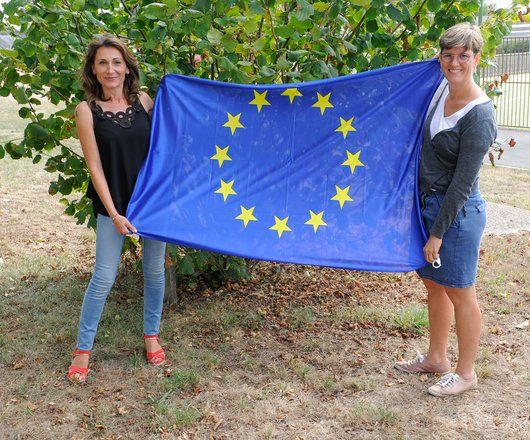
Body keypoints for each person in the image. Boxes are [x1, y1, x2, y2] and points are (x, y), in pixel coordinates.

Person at [394, 23, 497, 396]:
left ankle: (466, 374)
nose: (455, 62)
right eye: (448, 55)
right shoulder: (438, 90)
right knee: (435, 286)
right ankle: (436, 358)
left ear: (477, 59)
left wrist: (437, 233)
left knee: (460, 291)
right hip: (427, 206)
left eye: (463, 55)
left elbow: (462, 184)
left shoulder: (480, 115)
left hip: (457, 214)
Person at [67, 35, 166, 382]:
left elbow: (163, 149)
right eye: (103, 63)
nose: (111, 69)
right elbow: (95, 167)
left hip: (151, 204)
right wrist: (113, 214)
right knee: (104, 276)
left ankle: (151, 336)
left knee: (155, 272)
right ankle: (83, 349)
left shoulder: (144, 101)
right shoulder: (86, 110)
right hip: (114, 205)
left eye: (117, 62)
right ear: (93, 69)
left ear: (127, 67)